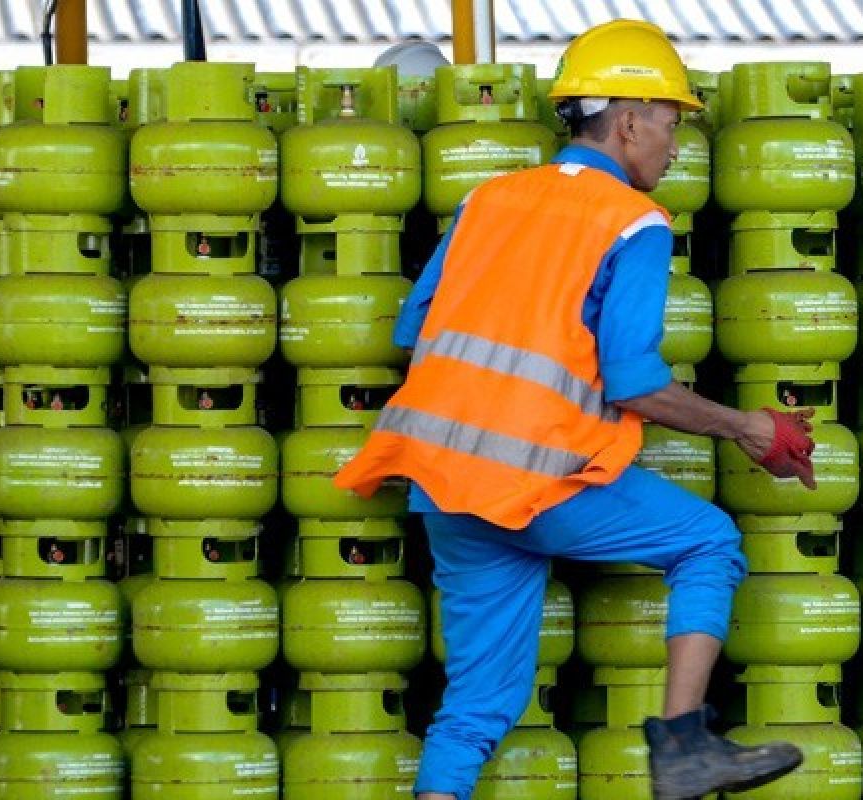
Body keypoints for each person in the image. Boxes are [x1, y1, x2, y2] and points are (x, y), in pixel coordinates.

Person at [335, 19, 816, 800]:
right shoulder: (631, 222)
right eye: (670, 122)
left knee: (476, 707)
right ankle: (685, 747)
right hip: (538, 479)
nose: (674, 142)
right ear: (627, 121)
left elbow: (414, 328)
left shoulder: (489, 200)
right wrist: (747, 428)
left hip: (446, 483)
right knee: (708, 543)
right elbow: (633, 384)